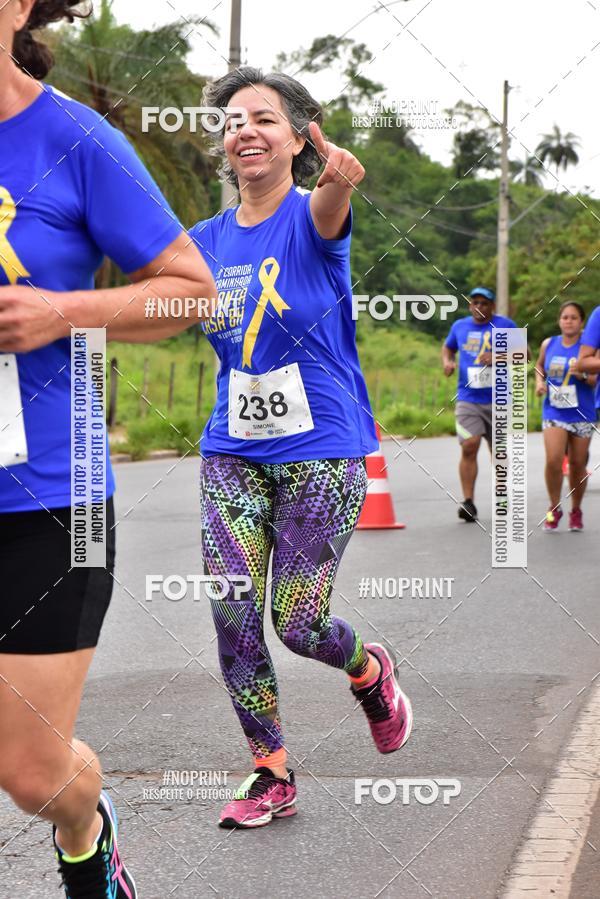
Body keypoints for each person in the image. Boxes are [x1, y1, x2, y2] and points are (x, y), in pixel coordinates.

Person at [0, 2, 215, 896]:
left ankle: (87, 826)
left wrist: (63, 310)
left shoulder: (73, 140)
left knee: (33, 774)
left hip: (46, 498)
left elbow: (189, 293)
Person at [189, 66, 413, 830]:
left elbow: (329, 204)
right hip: (233, 449)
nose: (244, 129)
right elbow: (152, 294)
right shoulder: (202, 244)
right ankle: (270, 769)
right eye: (232, 122)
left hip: (322, 448)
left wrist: (339, 177)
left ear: (294, 138)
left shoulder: (315, 216)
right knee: (230, 605)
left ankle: (369, 670)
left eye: (263, 119)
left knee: (298, 622)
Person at [442, 287, 517, 522]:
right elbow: (448, 347)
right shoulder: (460, 327)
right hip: (468, 398)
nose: (479, 307)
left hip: (500, 399)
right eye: (475, 302)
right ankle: (468, 502)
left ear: (492, 306)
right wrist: (448, 362)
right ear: (469, 305)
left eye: (484, 303)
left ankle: (503, 497)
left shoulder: (506, 326)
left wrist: (498, 357)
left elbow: (525, 354)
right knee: (469, 445)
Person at [535, 303, 597, 531]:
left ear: (582, 323)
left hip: (582, 413)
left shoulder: (588, 348)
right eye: (564, 317)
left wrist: (581, 374)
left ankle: (576, 510)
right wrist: (540, 382)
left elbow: (593, 381)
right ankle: (554, 507)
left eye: (573, 317)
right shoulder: (549, 344)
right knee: (553, 460)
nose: (568, 321)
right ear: (559, 321)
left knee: (578, 464)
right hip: (554, 411)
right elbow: (540, 366)